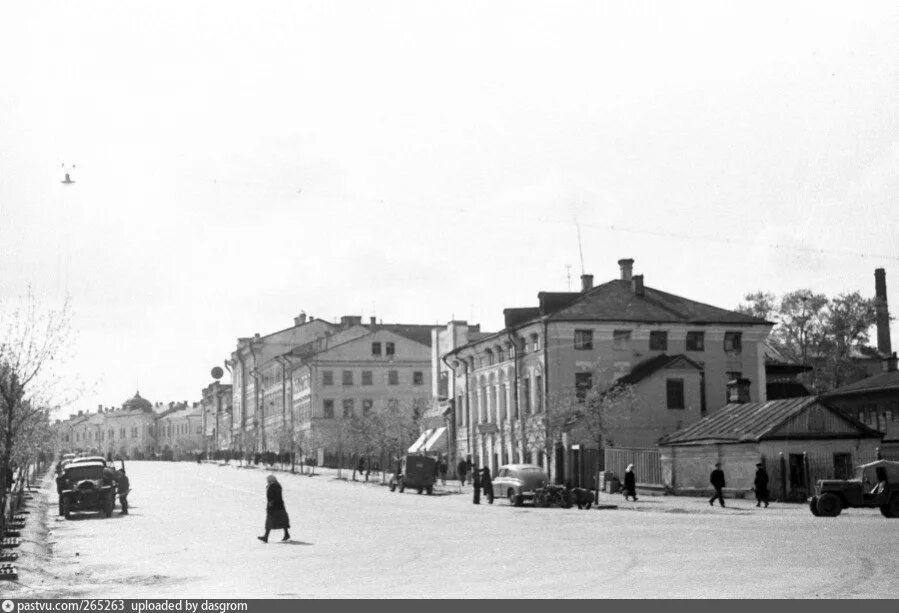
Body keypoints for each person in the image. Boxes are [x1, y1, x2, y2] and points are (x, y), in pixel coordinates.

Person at [258, 475, 290, 543]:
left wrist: (271, 503)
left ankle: (266, 537)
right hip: (279, 506)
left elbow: (274, 496)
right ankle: (286, 534)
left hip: (274, 507)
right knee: (282, 520)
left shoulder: (273, 486)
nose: (267, 481)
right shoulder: (276, 485)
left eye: (268, 480)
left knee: (269, 521)